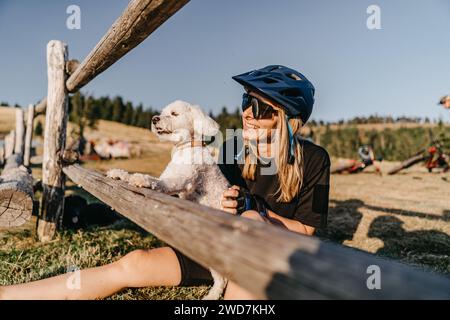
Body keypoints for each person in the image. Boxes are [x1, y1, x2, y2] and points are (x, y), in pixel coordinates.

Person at [0, 65, 330, 300]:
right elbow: (192, 187)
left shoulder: (314, 160)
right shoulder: (230, 149)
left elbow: (306, 232)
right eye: (246, 101)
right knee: (134, 263)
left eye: (258, 106)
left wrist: (253, 208)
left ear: (289, 119)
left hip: (269, 255)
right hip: (213, 245)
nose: (246, 112)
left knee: (249, 223)